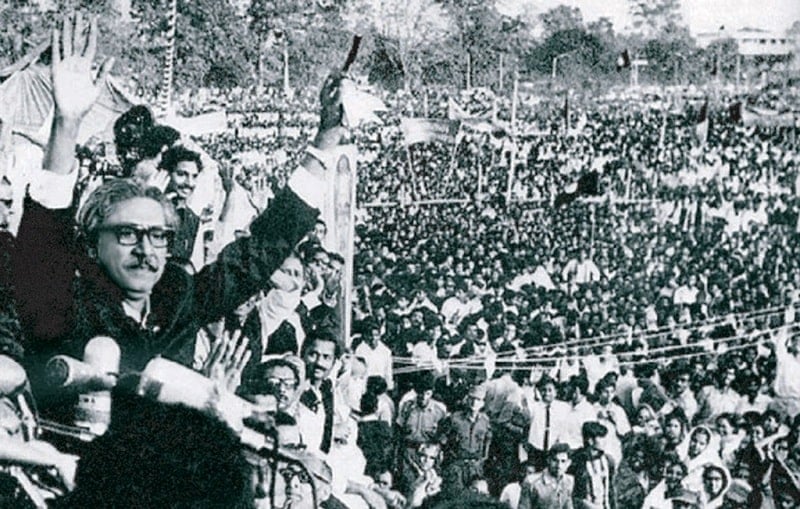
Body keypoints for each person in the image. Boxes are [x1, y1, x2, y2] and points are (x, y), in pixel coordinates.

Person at [13, 16, 344, 416]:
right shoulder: (68, 304)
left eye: (158, 236)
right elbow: (44, 240)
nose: (146, 251)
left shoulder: (178, 296)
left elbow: (260, 251)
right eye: (128, 234)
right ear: (93, 241)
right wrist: (66, 125)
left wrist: (324, 144)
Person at [437, 383, 492, 495]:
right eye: (471, 398)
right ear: (467, 399)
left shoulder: (485, 422)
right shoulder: (454, 419)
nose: (474, 402)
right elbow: (441, 441)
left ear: (482, 403)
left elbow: (487, 444)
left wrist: (482, 461)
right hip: (457, 466)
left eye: (478, 400)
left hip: (475, 467)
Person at [298, 329, 347, 454]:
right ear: (302, 354)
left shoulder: (326, 390)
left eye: (326, 357)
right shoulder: (294, 390)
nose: (319, 363)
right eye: (313, 354)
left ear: (333, 362)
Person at [525, 374, 570, 471]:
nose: (546, 393)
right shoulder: (534, 407)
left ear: (556, 392)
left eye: (550, 390)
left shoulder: (563, 408)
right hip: (536, 449)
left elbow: (564, 427)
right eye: (543, 390)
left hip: (553, 448)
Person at [568, 421, 615, 509]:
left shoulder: (608, 460)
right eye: (601, 437)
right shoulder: (577, 461)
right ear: (590, 440)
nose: (604, 441)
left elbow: (610, 491)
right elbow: (573, 495)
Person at [518, 443, 574, 509]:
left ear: (569, 463)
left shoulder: (568, 481)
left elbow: (568, 506)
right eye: (555, 460)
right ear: (548, 460)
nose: (559, 465)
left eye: (563, 461)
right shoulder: (531, 482)